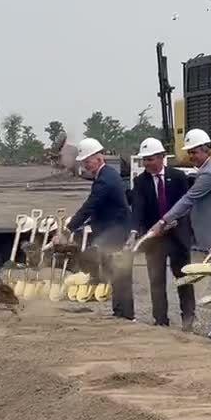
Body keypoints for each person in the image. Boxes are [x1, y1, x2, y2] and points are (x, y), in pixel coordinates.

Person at [149, 128, 211, 341]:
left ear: (206, 151)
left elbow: (188, 199)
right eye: (189, 152)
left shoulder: (209, 174)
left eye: (195, 152)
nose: (192, 156)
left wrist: (162, 221)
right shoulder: (207, 170)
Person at [129, 137, 196, 330]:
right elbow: (138, 209)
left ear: (161, 157)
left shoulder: (178, 177)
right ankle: (160, 320)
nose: (146, 163)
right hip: (155, 239)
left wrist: (173, 222)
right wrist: (134, 231)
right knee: (156, 279)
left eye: (150, 159)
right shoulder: (140, 181)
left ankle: (188, 318)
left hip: (177, 236)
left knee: (183, 278)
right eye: (145, 160)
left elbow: (186, 204)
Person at [66, 137, 134, 319]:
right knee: (115, 272)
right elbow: (99, 208)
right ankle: (120, 312)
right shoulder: (107, 175)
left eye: (88, 161)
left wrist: (69, 228)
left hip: (116, 232)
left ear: (99, 158)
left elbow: (91, 205)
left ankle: (126, 315)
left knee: (120, 273)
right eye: (85, 162)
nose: (86, 165)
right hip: (112, 230)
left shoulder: (105, 180)